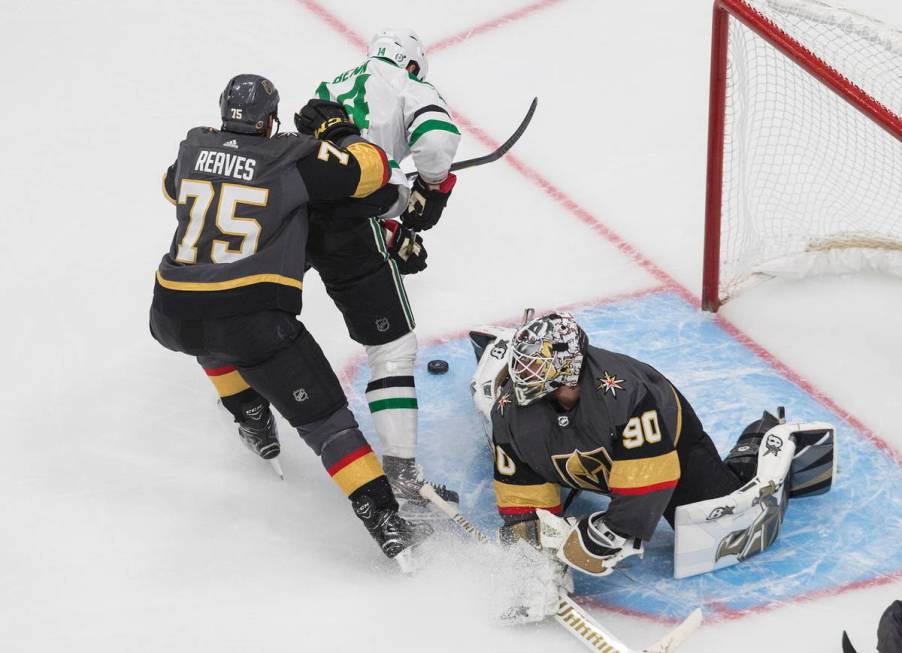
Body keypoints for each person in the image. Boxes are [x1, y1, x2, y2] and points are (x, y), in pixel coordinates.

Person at [150, 73, 430, 563]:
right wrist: (340, 133)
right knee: (327, 422)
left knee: (207, 330)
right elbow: (373, 169)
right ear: (271, 117)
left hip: (171, 309)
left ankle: (250, 415)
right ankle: (386, 519)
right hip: (251, 318)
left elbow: (172, 188)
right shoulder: (290, 157)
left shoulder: (193, 146)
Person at [199, 29, 462, 519]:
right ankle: (401, 473)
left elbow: (314, 155)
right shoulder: (413, 88)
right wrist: (430, 186)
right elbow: (436, 144)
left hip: (292, 211)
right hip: (352, 219)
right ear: (412, 63)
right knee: (391, 348)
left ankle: (246, 408)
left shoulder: (333, 83)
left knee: (226, 303)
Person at [469, 311, 835, 620]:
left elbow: (647, 480)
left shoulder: (628, 396)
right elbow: (519, 480)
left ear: (565, 369)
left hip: (670, 448)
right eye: (522, 365)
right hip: (583, 452)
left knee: (720, 530)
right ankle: (498, 347)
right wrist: (532, 544)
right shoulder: (510, 409)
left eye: (533, 368)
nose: (523, 378)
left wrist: (612, 531)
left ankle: (763, 436)